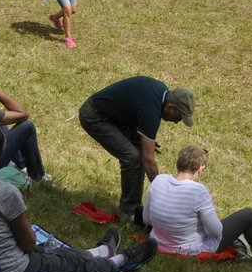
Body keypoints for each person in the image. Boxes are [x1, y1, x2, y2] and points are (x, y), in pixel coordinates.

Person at [0, 123, 156, 272]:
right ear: (1, 151)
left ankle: (101, 252)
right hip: (10, 268)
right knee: (66, 260)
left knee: (55, 251)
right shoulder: (4, 191)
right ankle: (118, 262)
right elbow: (28, 244)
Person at [78, 76, 196, 226]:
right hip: (95, 116)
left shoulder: (160, 93)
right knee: (133, 157)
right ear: (171, 107)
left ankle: (132, 207)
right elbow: (148, 159)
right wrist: (165, 191)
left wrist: (140, 139)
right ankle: (129, 212)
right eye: (179, 117)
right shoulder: (152, 109)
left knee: (138, 153)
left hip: (115, 118)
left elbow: (134, 108)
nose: (177, 122)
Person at [143, 145, 252, 267]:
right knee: (248, 215)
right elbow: (215, 232)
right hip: (188, 249)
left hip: (159, 243)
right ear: (200, 169)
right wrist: (209, 206)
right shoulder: (198, 191)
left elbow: (147, 219)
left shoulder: (158, 180)